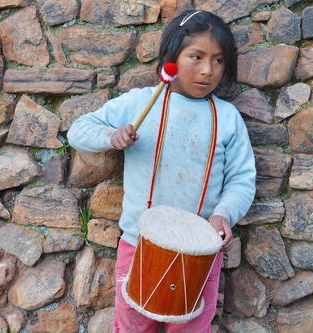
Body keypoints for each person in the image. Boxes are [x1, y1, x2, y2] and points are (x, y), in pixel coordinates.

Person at [67, 10, 256, 333]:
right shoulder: (141, 103)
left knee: (192, 329)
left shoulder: (226, 117)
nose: (208, 70)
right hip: (140, 246)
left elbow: (241, 179)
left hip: (200, 253)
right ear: (169, 58)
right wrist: (111, 137)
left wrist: (224, 213)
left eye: (219, 60)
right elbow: (78, 129)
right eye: (196, 57)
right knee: (132, 328)